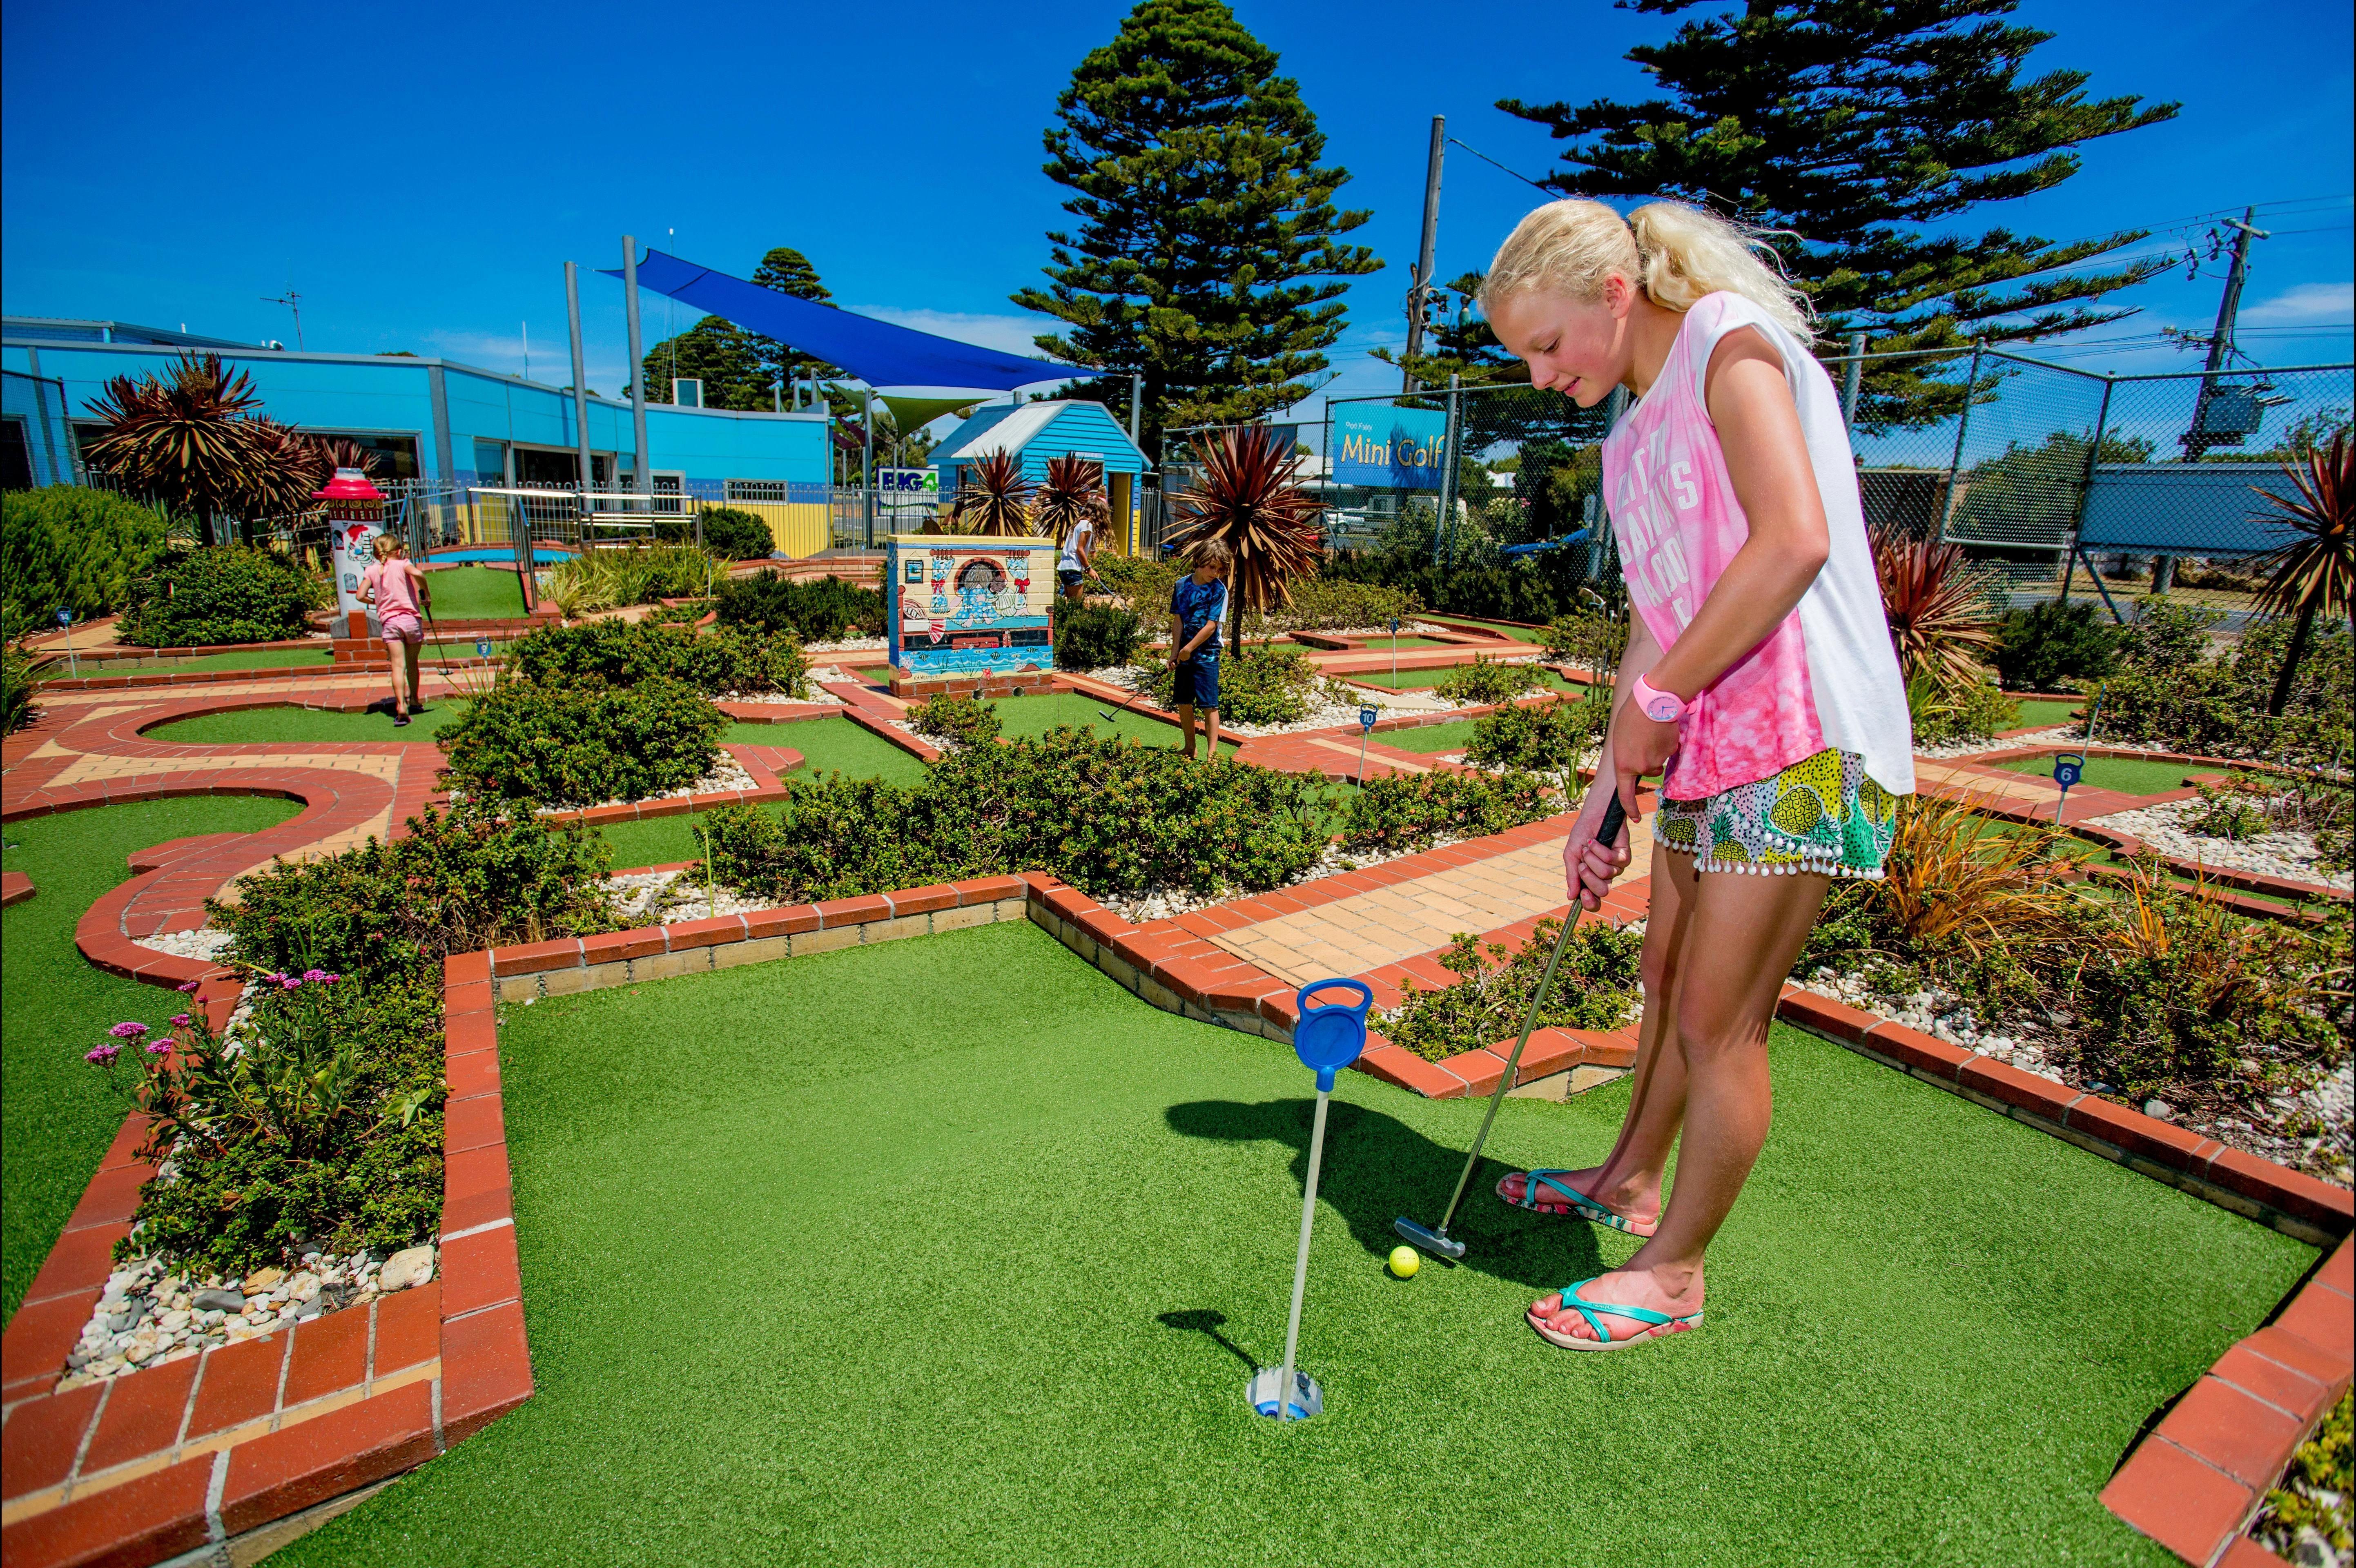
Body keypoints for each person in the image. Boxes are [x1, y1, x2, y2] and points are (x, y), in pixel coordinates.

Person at [1479, 198, 1913, 1351]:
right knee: (1667, 978)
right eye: (1524, 357)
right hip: (1708, 741)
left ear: (1615, 295)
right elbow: (1655, 625)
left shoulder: (1728, 341)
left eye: (1548, 344)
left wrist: (1660, 704)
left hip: (1802, 734)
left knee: (1722, 1021)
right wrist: (1602, 795)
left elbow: (1794, 539)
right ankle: (1627, 1178)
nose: (1539, 376)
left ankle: (1673, 1272)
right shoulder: (1628, 441)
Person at [358, 535, 432, 727]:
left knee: (398, 666)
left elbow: (360, 595)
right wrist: (426, 594)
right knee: (412, 663)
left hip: (390, 622)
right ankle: (414, 700)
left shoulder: (372, 570)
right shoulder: (403, 564)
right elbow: (419, 574)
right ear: (399, 551)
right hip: (411, 620)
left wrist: (377, 602)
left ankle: (401, 706)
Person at [1167, 540, 1230, 762]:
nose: (1215, 573)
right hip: (1184, 654)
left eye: (1220, 569)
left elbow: (1211, 625)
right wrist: (1175, 652)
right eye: (1212, 567)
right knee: (1183, 701)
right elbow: (1178, 620)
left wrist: (1189, 648)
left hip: (1208, 655)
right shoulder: (1181, 585)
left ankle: (1212, 754)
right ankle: (1190, 747)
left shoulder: (1219, 590)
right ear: (1199, 561)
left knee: (1209, 705)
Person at [1057, 503, 1097, 601]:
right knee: (1076, 606)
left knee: (1070, 605)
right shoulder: (1087, 525)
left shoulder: (1078, 524)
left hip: (1064, 567)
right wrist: (1089, 569)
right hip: (1073, 569)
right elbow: (1080, 549)